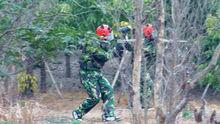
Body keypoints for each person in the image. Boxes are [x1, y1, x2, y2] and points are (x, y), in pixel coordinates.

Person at [72, 24, 120, 122]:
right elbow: (105, 56)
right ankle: (78, 112)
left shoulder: (101, 44)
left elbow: (107, 50)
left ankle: (109, 115)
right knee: (95, 97)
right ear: (103, 35)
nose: (110, 36)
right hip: (87, 74)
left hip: (96, 72)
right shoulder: (92, 45)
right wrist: (115, 49)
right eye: (108, 34)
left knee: (108, 90)